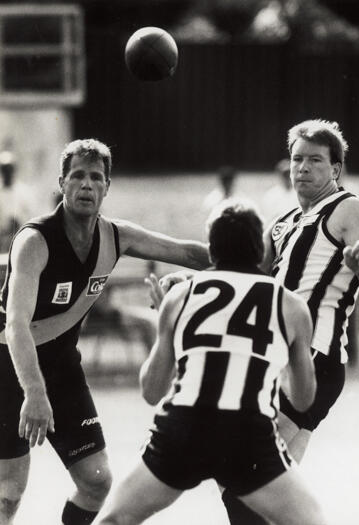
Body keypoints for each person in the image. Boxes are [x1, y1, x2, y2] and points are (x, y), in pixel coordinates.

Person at [0, 138, 209, 525]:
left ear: (107, 187)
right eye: (77, 176)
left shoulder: (116, 236)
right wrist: (34, 392)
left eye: (96, 177)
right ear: (61, 183)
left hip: (61, 364)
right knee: (9, 492)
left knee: (97, 481)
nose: (86, 185)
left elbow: (188, 253)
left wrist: (247, 260)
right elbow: (15, 326)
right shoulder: (34, 241)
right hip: (9, 365)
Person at [94, 199, 329, 525]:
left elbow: (151, 391)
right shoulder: (289, 303)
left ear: (212, 249)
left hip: (183, 427)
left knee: (113, 519)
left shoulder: (180, 296)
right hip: (247, 433)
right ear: (258, 251)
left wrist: (172, 326)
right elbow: (304, 399)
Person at [219, 119, 359, 524]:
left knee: (245, 474)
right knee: (270, 486)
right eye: (297, 159)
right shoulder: (285, 222)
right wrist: (190, 282)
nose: (302, 168)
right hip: (277, 359)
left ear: (335, 169)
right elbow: (240, 274)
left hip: (311, 358)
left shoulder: (348, 209)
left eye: (315, 160)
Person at [0, 151, 34, 253]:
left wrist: (19, 221)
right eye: (4, 170)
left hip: (21, 240)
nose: (7, 173)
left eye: (9, 169)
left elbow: (31, 216)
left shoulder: (24, 192)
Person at [260, 158, 299, 224]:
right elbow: (267, 218)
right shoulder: (270, 195)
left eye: (289, 173)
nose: (287, 177)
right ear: (279, 175)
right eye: (285, 174)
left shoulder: (301, 194)